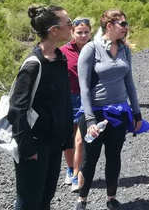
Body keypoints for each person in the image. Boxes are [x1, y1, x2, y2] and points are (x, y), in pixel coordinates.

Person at [75, 9, 143, 210]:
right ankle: (82, 200)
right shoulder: (91, 49)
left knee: (114, 156)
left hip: (119, 113)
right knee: (90, 159)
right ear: (109, 26)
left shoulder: (124, 50)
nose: (126, 27)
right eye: (122, 24)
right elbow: (84, 87)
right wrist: (89, 120)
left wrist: (136, 111)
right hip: (95, 112)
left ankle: (111, 198)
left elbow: (129, 82)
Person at [9, 5, 73, 210]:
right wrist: (27, 149)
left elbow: (63, 101)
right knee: (28, 202)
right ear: (54, 30)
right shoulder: (33, 64)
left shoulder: (59, 58)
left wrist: (66, 139)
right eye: (68, 23)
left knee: (45, 199)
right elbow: (16, 109)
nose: (71, 27)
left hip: (53, 141)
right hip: (34, 144)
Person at [59, 17, 92, 192]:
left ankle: (77, 173)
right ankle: (70, 168)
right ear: (72, 32)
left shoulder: (95, 49)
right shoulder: (63, 52)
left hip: (89, 98)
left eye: (86, 32)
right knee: (69, 137)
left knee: (80, 139)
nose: (83, 35)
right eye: (79, 32)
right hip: (69, 98)